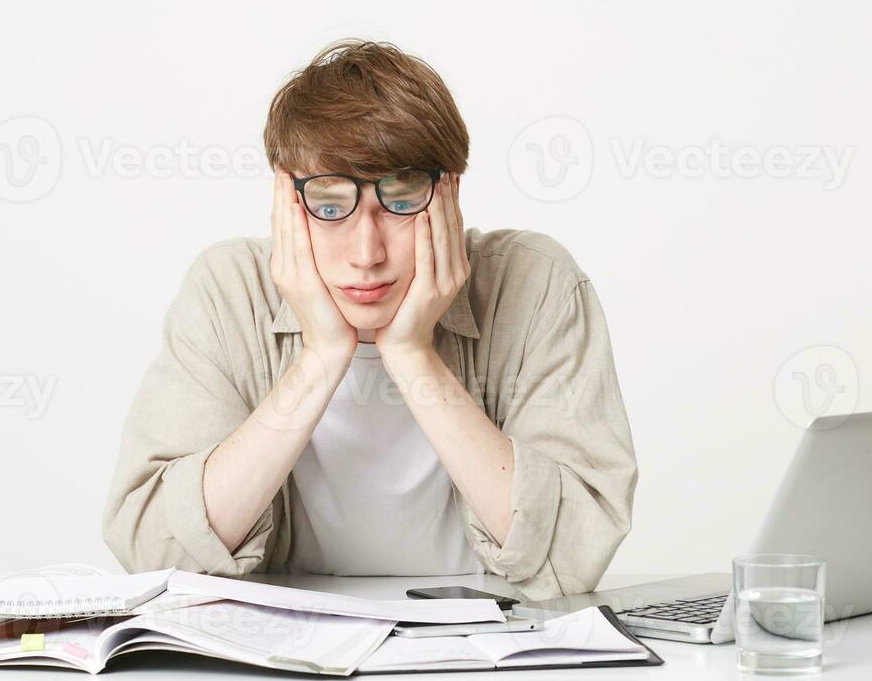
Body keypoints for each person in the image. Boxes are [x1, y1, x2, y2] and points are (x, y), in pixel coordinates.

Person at [103, 40, 637, 599]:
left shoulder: (537, 282)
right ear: (286, 199)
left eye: (402, 203)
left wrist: (412, 355)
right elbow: (153, 554)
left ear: (450, 192)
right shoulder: (228, 290)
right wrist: (321, 357)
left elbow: (572, 558)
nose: (366, 252)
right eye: (330, 208)